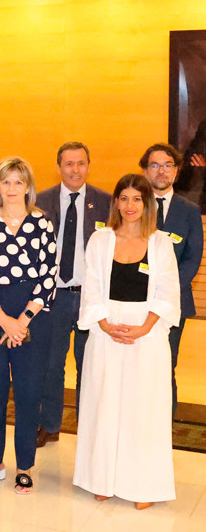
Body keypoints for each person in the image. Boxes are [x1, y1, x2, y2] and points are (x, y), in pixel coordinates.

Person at [73, 174, 179, 510]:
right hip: (106, 333)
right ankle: (101, 479)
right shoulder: (100, 240)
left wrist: (145, 326)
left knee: (141, 410)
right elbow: (90, 286)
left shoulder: (161, 243)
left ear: (147, 203)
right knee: (103, 405)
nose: (130, 206)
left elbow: (168, 291)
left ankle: (141, 485)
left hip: (145, 336)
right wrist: (104, 323)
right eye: (124, 198)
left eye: (137, 199)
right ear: (116, 202)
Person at [0, 156, 56, 494]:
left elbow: (49, 277)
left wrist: (22, 321)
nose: (11, 188)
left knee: (27, 394)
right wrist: (4, 320)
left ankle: (25, 465)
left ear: (28, 187)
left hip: (32, 318)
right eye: (5, 182)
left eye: (18, 182)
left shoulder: (42, 224)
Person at [34, 142, 110, 447]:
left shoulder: (105, 202)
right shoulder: (40, 200)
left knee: (89, 365)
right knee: (51, 365)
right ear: (58, 167)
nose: (75, 170)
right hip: (53, 296)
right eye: (69, 164)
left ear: (89, 166)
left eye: (81, 163)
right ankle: (50, 424)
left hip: (90, 297)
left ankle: (87, 427)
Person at [140, 143, 203, 413]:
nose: (162, 171)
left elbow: (192, 257)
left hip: (174, 304)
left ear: (176, 172)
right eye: (155, 165)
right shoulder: (133, 205)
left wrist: (169, 292)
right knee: (139, 364)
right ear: (145, 171)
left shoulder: (189, 210)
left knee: (167, 361)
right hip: (136, 301)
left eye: (168, 165)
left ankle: (166, 422)